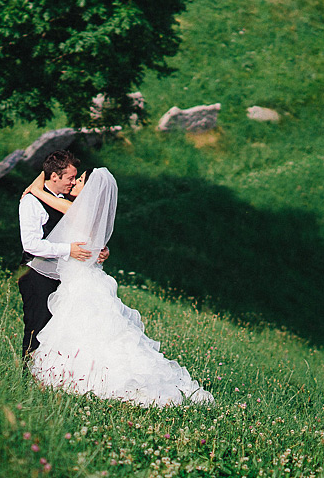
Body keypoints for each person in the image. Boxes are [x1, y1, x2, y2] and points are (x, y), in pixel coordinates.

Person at [28, 167, 214, 407]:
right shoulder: (91, 214)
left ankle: (86, 375)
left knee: (83, 328)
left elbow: (48, 195)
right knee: (87, 328)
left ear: (92, 189)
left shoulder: (81, 211)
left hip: (82, 281)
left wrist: (35, 190)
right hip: (83, 278)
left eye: (81, 180)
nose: (75, 183)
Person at [17, 151, 108, 357]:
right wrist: (69, 250)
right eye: (70, 178)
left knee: (61, 330)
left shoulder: (72, 201)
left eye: (76, 178)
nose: (74, 182)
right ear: (55, 176)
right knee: (37, 325)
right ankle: (27, 374)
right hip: (37, 273)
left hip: (67, 276)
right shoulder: (31, 202)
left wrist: (101, 250)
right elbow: (31, 244)